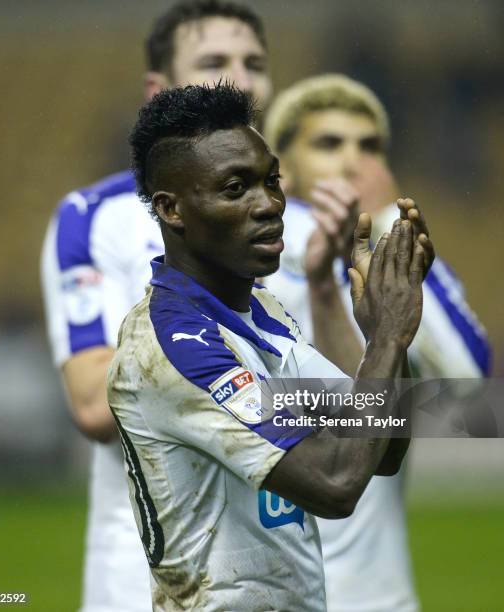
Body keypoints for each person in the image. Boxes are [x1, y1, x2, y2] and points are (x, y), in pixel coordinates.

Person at [108, 81, 433, 610]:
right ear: (172, 210)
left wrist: (383, 340)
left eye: (271, 180)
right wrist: (388, 339)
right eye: (236, 189)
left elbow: (382, 446)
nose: (270, 205)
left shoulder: (263, 313)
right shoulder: (174, 347)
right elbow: (335, 483)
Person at [40, 2, 272, 610]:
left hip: (282, 563)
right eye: (214, 63)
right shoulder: (96, 219)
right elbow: (93, 403)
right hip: (148, 574)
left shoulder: (288, 224)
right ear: (157, 90)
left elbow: (366, 410)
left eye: (253, 63)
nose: (239, 80)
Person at [262, 74, 491, 611]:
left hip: (374, 597)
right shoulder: (244, 271)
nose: (352, 162)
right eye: (329, 143)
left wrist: (387, 220)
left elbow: (467, 379)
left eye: (369, 147)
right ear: (284, 170)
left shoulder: (388, 275)